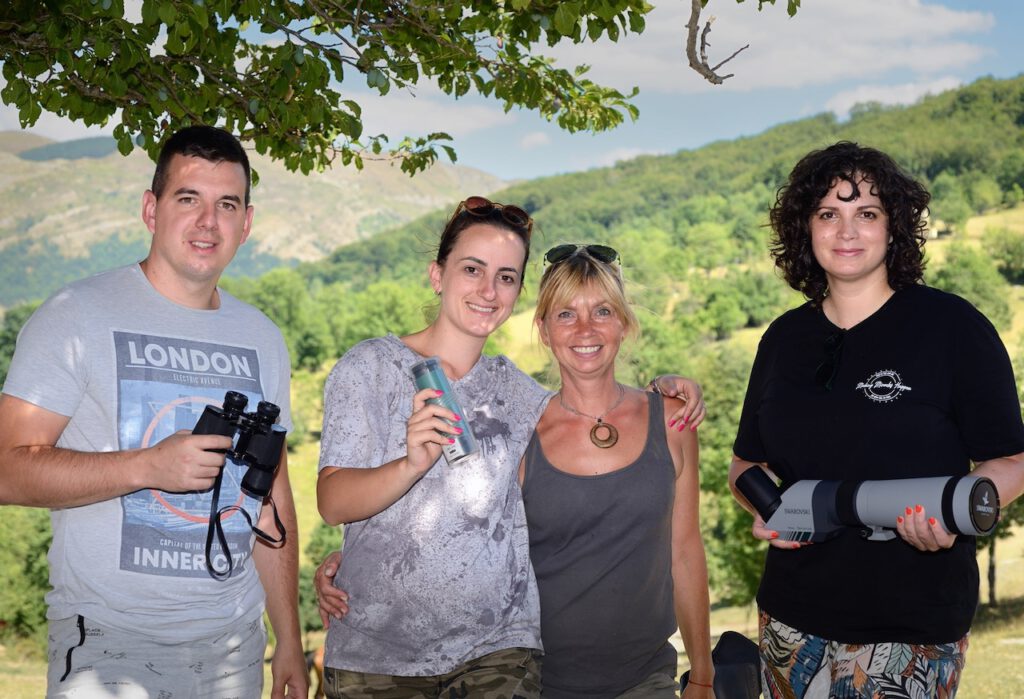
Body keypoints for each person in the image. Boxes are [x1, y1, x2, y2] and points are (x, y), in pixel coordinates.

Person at [314, 197, 705, 698]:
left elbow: (590, 405)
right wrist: (370, 530)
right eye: (472, 269)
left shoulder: (515, 392)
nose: (487, 289)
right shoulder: (370, 367)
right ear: (438, 275)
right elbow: (333, 502)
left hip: (496, 654)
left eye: (505, 276)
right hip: (377, 655)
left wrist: (666, 387)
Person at [0, 125, 307, 698]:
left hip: (233, 649)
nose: (207, 221)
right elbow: (7, 469)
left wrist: (287, 637)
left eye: (227, 205)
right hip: (108, 643)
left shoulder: (263, 338)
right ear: (151, 208)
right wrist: (145, 467)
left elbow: (272, 496)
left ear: (247, 222)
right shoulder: (75, 314)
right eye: (188, 198)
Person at [728, 141, 1024, 698]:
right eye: (828, 214)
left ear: (894, 228)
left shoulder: (951, 328)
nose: (847, 231)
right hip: (790, 619)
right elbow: (746, 461)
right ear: (805, 229)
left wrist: (957, 514)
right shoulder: (783, 339)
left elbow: (1012, 460)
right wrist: (768, 512)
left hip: (909, 624)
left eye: (866, 213)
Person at [521, 243, 715, 698]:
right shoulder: (519, 436)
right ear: (544, 330)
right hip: (535, 684)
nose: (585, 329)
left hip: (645, 679)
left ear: (624, 324)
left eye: (602, 311)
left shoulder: (672, 421)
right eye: (566, 314)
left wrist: (702, 675)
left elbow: (685, 551)